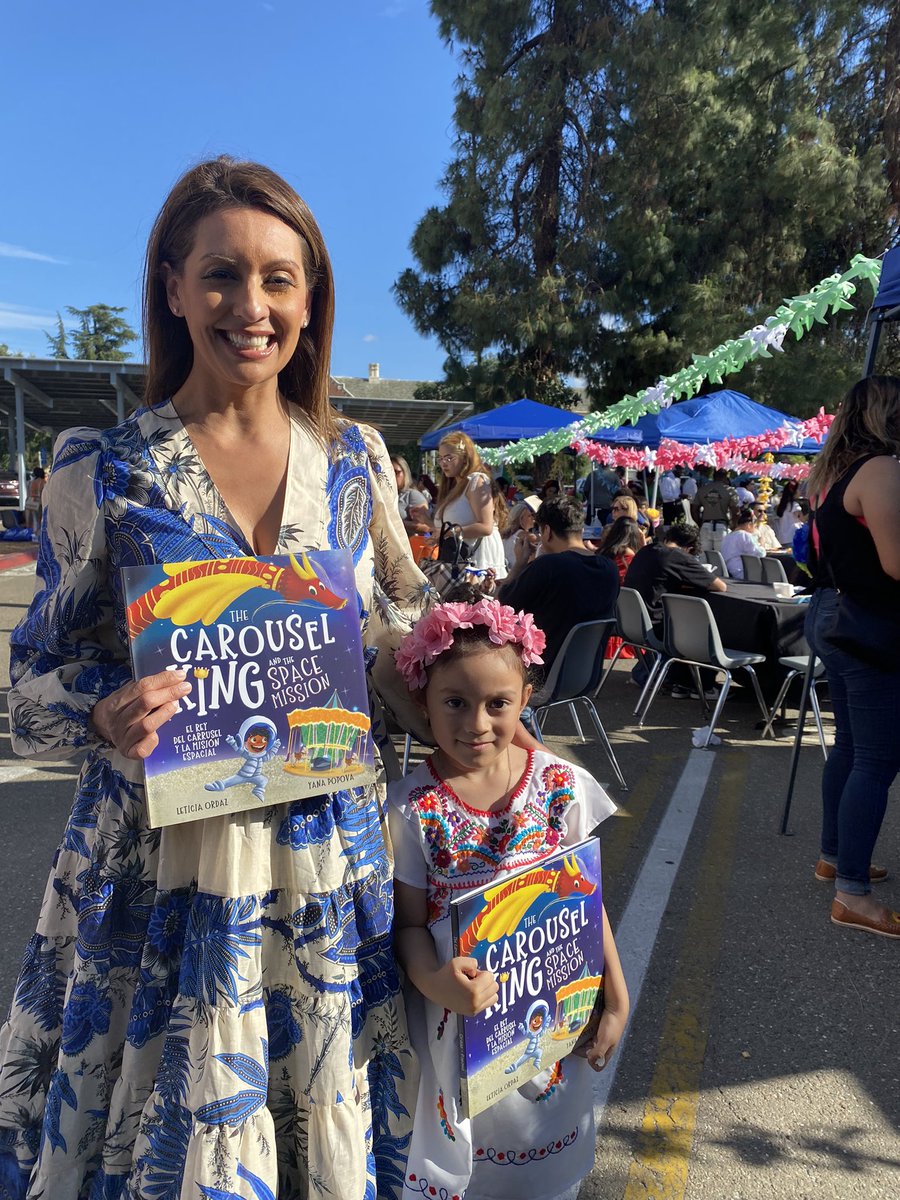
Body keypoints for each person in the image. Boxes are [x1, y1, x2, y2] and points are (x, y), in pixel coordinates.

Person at [0, 157, 425, 1197]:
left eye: (280, 278)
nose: (252, 305)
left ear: (311, 298)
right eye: (222, 275)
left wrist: (452, 667)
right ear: (173, 285)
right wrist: (101, 710)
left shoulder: (357, 460)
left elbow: (405, 638)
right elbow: (26, 694)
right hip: (161, 876)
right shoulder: (99, 466)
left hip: (326, 866)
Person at [388, 599, 629, 1200]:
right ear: (423, 701)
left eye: (498, 704)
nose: (476, 723)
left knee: (545, 1163)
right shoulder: (410, 806)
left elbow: (585, 898)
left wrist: (616, 994)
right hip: (458, 1025)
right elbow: (411, 925)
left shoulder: (558, 785)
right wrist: (433, 980)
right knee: (471, 1164)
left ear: (525, 700)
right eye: (455, 702)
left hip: (550, 1018)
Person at [805, 376, 900, 939]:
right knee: (877, 760)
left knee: (853, 748)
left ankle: (837, 858)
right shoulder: (881, 468)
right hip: (872, 627)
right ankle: (852, 893)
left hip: (837, 617)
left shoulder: (831, 470)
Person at [499, 495, 619, 671]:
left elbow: (501, 607)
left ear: (547, 531)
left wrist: (520, 563)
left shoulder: (548, 566)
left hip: (541, 670)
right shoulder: (610, 568)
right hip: (587, 671)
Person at [624, 523, 727, 697]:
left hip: (633, 622)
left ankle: (652, 674)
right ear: (690, 549)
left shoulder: (646, 551)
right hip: (657, 626)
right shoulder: (676, 555)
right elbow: (720, 586)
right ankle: (698, 685)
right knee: (704, 625)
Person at [434, 432, 507, 582]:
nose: (444, 463)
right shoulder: (454, 486)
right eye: (440, 458)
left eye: (449, 458)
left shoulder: (477, 481)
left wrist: (449, 533)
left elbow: (486, 527)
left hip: (477, 558)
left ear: (465, 457)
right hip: (458, 558)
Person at [692, 468, 739, 552]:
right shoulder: (730, 491)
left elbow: (694, 509)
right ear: (725, 477)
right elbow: (735, 511)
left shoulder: (703, 490)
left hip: (706, 524)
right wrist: (734, 525)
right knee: (721, 556)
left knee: (704, 556)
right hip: (721, 525)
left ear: (713, 477)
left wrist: (699, 523)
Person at [720, 508, 765, 579]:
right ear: (749, 524)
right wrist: (762, 543)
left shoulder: (727, 536)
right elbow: (760, 554)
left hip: (729, 571)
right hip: (742, 573)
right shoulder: (745, 535)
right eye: (754, 525)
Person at [392, 454, 432, 534]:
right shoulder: (383, 496)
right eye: (389, 472)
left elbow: (425, 527)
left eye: (396, 472)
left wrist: (394, 523)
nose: (392, 476)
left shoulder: (413, 495)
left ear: (405, 473)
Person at [501, 495, 540, 570]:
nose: (533, 518)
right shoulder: (525, 535)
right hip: (517, 571)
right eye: (530, 516)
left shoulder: (508, 532)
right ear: (520, 519)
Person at [771, 480, 801, 546]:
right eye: (798, 489)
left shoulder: (780, 506)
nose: (800, 492)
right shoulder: (795, 506)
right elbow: (800, 520)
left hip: (781, 538)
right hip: (792, 537)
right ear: (794, 492)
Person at [23, 466, 46, 531]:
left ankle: (30, 533)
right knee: (39, 520)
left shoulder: (30, 482)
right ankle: (37, 534)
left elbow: (28, 494)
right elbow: (43, 494)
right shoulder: (42, 482)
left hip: (29, 502)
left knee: (30, 521)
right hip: (38, 502)